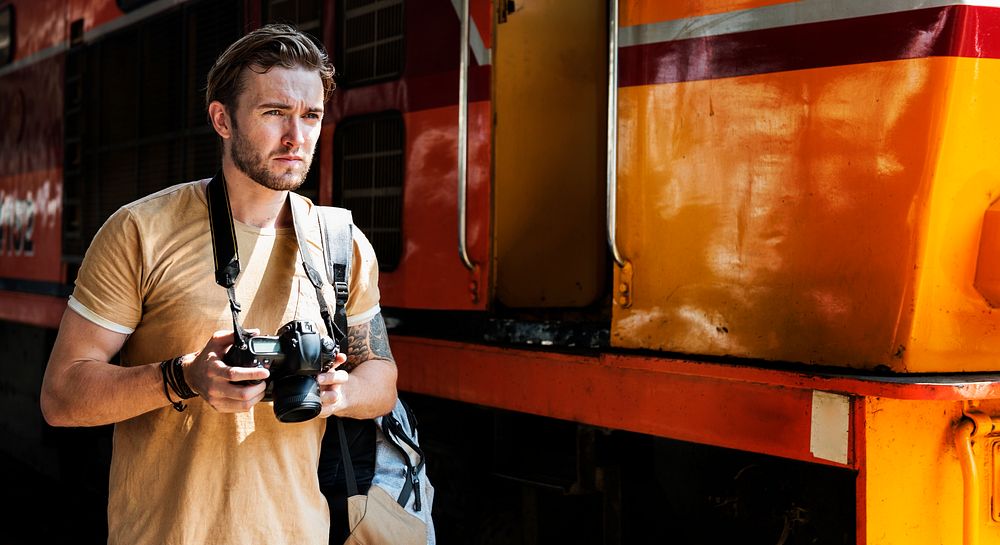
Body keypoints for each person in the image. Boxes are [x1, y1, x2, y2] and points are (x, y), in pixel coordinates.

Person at [39, 24, 398, 545]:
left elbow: (381, 380)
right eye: (275, 113)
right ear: (222, 119)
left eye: (311, 115)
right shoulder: (141, 231)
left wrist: (336, 395)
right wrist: (184, 378)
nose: (297, 137)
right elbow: (61, 396)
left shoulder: (343, 243)